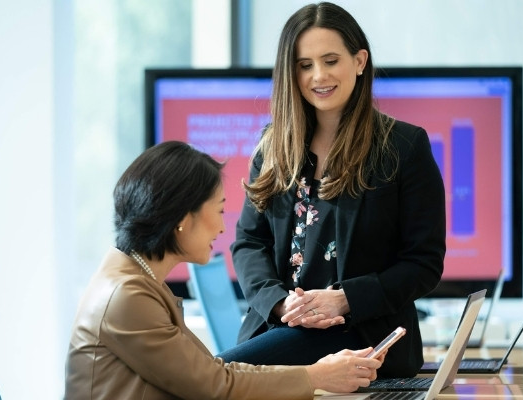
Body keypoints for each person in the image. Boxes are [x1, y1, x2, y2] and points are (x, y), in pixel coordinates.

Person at [218, 2, 446, 378]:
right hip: (280, 326)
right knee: (212, 375)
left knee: (218, 375)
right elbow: (248, 243)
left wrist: (344, 300)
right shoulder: (273, 147)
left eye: (330, 60)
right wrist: (278, 304)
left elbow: (423, 263)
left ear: (359, 61)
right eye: (305, 65)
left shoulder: (404, 147)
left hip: (365, 334)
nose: (318, 75)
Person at [64, 140, 384, 400]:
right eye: (218, 210)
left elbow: (213, 373)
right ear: (181, 218)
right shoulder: (127, 295)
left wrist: (317, 374)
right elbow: (214, 385)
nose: (221, 227)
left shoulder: (137, 281)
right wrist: (316, 376)